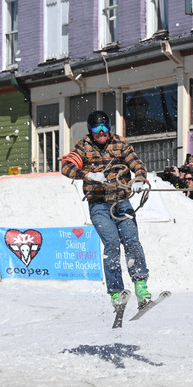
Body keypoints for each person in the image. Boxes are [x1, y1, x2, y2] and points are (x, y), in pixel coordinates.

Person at [60, 110, 153, 309]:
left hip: (121, 201)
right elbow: (66, 167)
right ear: (90, 130)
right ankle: (116, 292)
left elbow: (136, 163)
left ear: (109, 128)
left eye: (104, 128)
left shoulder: (120, 143)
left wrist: (138, 178)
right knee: (111, 243)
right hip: (98, 205)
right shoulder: (83, 145)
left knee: (131, 240)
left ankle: (141, 286)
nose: (101, 133)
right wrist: (88, 175)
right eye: (96, 129)